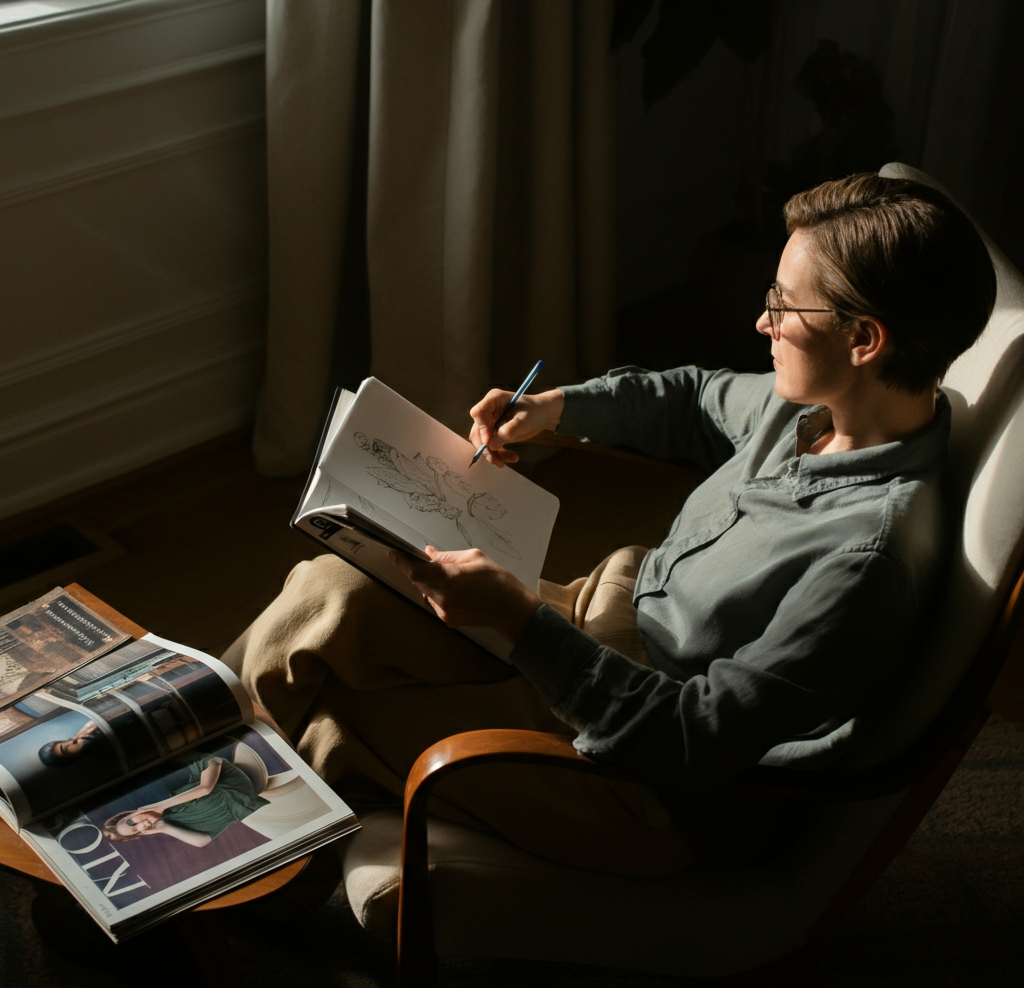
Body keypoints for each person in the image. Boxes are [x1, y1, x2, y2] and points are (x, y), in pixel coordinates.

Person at [223, 172, 996, 874]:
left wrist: (520, 624)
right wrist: (554, 408)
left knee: (333, 723)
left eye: (785, 305)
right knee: (330, 591)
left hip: (647, 783)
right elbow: (691, 397)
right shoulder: (815, 413)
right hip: (604, 631)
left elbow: (693, 741)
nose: (762, 321)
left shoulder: (865, 561)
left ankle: (202, 865)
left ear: (864, 340)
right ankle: (180, 734)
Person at [102, 754, 269, 848]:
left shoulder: (158, 795)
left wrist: (159, 807)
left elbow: (206, 783)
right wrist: (164, 828)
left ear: (130, 813)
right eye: (135, 830)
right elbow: (202, 841)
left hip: (228, 775)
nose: (138, 825)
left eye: (130, 821)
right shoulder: (171, 822)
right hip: (246, 798)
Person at [38, 720, 104, 767]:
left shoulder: (85, 733)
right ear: (70, 757)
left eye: (69, 739)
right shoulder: (100, 756)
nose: (74, 740)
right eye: (66, 748)